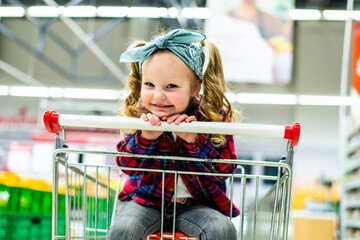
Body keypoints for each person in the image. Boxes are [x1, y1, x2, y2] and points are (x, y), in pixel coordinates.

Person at [108, 29, 240, 240]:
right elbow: (126, 166)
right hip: (147, 201)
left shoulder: (211, 118)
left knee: (222, 230)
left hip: (198, 205)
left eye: (171, 86)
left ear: (195, 88)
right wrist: (145, 139)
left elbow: (225, 169)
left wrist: (194, 141)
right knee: (124, 228)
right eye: (149, 84)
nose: (158, 96)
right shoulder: (139, 116)